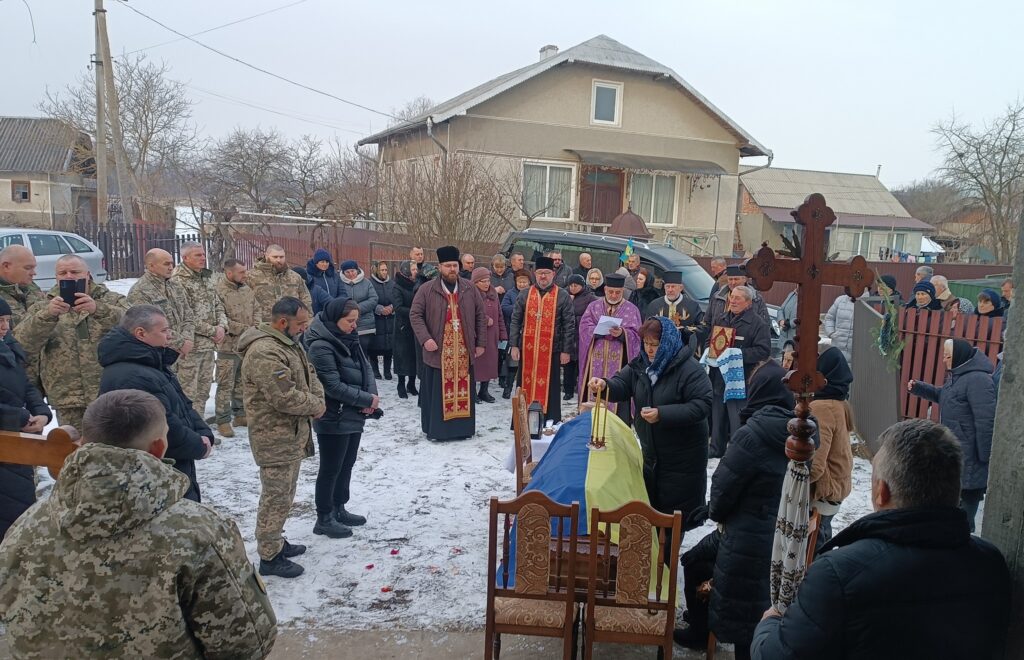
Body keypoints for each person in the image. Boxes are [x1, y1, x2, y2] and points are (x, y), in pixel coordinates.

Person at [0, 389, 278, 659]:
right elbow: (245, 642)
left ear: (84, 441)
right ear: (158, 447)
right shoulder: (197, 530)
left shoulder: (27, 524)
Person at [752, 419, 1011, 660]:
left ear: (881, 491)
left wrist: (770, 624)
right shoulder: (991, 564)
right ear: (955, 489)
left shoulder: (838, 575)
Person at [675, 360, 796, 658]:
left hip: (744, 537)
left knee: (692, 560)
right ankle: (706, 622)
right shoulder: (802, 432)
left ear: (759, 392)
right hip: (781, 537)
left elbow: (723, 488)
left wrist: (712, 511)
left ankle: (701, 630)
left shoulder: (751, 434)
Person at [591, 316, 712, 527]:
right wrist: (605, 385)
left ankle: (668, 558)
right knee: (652, 513)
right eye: (646, 343)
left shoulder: (689, 369)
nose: (649, 349)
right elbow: (623, 383)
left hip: (682, 457)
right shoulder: (642, 364)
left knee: (673, 519)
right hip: (652, 453)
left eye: (654, 345)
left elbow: (702, 405)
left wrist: (662, 414)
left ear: (667, 343)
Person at [239, 296, 325, 578]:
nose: (304, 328)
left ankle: (275, 540)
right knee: (275, 497)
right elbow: (283, 396)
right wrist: (316, 406)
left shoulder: (287, 343)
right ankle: (269, 556)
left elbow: (308, 376)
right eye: (300, 324)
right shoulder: (264, 351)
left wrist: (318, 398)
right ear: (282, 322)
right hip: (273, 436)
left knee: (285, 495)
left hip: (291, 433)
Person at [98, 305, 214, 502]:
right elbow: (161, 424)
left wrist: (204, 432)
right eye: (164, 330)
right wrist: (197, 445)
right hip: (155, 477)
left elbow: (182, 404)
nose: (169, 336)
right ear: (141, 333)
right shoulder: (132, 375)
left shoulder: (152, 363)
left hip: (171, 467)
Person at [15, 254, 128, 430]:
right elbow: (22, 344)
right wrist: (48, 315)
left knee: (113, 447)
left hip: (110, 392)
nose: (69, 276)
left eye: (75, 272)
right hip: (67, 396)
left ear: (88, 274)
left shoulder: (111, 300)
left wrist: (98, 310)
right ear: (56, 277)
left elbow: (135, 327)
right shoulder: (42, 306)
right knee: (72, 449)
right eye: (63, 273)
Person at [304, 299, 379, 539]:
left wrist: (371, 395)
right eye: (349, 321)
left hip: (352, 412)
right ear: (335, 319)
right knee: (331, 468)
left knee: (347, 464)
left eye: (356, 320)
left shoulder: (349, 337)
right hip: (332, 415)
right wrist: (365, 400)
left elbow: (365, 367)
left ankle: (340, 507)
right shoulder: (320, 346)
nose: (354, 325)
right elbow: (332, 386)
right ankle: (324, 517)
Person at [909, 338, 995, 532]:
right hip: (957, 450)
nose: (943, 360)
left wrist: (985, 455)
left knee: (967, 504)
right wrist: (919, 388)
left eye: (947, 356)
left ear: (958, 357)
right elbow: (945, 396)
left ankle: (963, 544)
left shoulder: (979, 380)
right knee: (954, 502)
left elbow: (986, 420)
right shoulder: (957, 376)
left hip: (971, 454)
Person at [410, 246, 488, 441]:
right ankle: (437, 430)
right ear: (439, 267)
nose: (452, 269)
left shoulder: (470, 288)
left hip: (463, 350)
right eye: (448, 266)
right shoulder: (427, 289)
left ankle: (462, 430)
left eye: (455, 265)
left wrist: (481, 343)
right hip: (438, 352)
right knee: (436, 393)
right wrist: (425, 339)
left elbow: (480, 315)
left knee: (463, 390)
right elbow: (415, 315)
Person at [0, 298, 50, 540]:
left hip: (17, 442)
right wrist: (18, 416)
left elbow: (26, 385)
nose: (4, 327)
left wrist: (41, 412)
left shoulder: (7, 347)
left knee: (20, 510)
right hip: (6, 439)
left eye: (7, 320)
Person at [509, 255, 576, 424]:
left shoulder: (562, 295)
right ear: (535, 274)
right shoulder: (525, 294)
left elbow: (569, 324)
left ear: (553, 274)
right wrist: (514, 346)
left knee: (551, 387)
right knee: (524, 384)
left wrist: (566, 350)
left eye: (546, 273)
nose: (543, 277)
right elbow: (516, 320)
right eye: (540, 273)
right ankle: (522, 420)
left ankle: (549, 418)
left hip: (552, 350)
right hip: (528, 349)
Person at [709, 285, 773, 458]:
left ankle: (738, 450)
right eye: (732, 297)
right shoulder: (722, 318)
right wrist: (710, 352)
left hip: (741, 380)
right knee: (717, 415)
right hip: (720, 377)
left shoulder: (758, 324)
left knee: (737, 416)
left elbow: (764, 351)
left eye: (738, 298)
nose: (733, 301)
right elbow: (712, 340)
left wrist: (738, 354)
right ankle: (716, 448)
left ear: (748, 303)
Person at [172, 242, 228, 415]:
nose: (203, 258)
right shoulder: (178, 281)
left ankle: (201, 429)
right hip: (191, 347)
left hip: (209, 346)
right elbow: (185, 315)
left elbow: (217, 304)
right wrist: (213, 331)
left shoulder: (206, 277)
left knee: (204, 391)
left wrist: (222, 326)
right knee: (188, 392)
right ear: (185, 258)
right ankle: (189, 432)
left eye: (203, 254)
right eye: (198, 255)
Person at [577, 273, 642, 423]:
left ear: (623, 291)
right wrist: (597, 331)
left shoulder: (631, 310)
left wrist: (622, 333)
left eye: (617, 292)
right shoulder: (594, 307)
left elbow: (637, 336)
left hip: (620, 363)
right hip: (595, 359)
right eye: (610, 291)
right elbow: (584, 328)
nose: (613, 295)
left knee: (619, 399)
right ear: (605, 289)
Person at [810, 344, 854, 545]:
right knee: (822, 541)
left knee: (813, 550)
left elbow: (816, 464)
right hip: (836, 487)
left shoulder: (822, 406)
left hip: (822, 493)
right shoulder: (839, 401)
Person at [214, 258, 257, 437]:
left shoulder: (247, 289)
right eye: (241, 272)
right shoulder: (218, 291)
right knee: (225, 384)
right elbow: (219, 317)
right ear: (229, 273)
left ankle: (240, 414)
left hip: (246, 344)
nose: (245, 275)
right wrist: (244, 329)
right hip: (228, 346)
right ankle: (223, 420)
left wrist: (256, 326)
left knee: (242, 381)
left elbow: (257, 309)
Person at [127, 248, 194, 359]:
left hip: (181, 353)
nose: (171, 267)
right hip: (157, 354)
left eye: (172, 263)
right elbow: (147, 326)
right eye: (166, 264)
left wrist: (187, 340)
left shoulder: (175, 286)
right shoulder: (140, 291)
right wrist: (180, 342)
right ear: (151, 266)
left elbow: (188, 315)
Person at [247, 244, 313, 322]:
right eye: (275, 257)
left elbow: (306, 300)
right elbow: (245, 302)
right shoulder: (251, 276)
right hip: (264, 325)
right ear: (266, 256)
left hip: (291, 325)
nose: (279, 260)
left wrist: (308, 321)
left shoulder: (295, 277)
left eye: (281, 257)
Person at [644, 271, 704, 352]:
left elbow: (702, 328)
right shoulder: (654, 305)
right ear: (664, 287)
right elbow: (647, 329)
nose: (670, 290)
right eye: (667, 286)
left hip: (685, 351)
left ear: (681, 288)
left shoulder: (692, 306)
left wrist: (684, 330)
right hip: (660, 351)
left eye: (673, 287)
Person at [472, 267, 507, 404]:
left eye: (488, 281)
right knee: (476, 365)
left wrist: (503, 334)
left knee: (489, 364)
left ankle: (484, 390)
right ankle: (472, 391)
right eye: (482, 281)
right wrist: (485, 319)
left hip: (492, 334)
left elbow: (499, 315)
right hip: (477, 335)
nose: (486, 284)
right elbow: (469, 313)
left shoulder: (493, 294)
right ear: (475, 282)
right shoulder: (471, 295)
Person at [501, 269, 532, 399]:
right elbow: (504, 307)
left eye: (524, 281)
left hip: (530, 333)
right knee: (513, 362)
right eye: (520, 281)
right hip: (515, 332)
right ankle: (507, 388)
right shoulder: (510, 293)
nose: (522, 284)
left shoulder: (533, 293)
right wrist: (518, 308)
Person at [565, 274, 596, 401]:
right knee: (568, 364)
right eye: (571, 285)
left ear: (582, 286)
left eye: (575, 285)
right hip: (569, 335)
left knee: (581, 364)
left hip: (583, 336)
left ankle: (581, 388)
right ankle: (568, 390)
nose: (573, 288)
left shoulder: (590, 298)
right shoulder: (566, 296)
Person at [0, 245, 45, 329]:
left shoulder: (30, 287)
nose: (33, 273)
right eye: (28, 268)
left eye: (33, 268)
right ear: (6, 266)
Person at [339, 259, 379, 353]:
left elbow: (373, 299)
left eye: (352, 271)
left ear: (357, 270)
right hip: (346, 324)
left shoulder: (366, 282)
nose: (350, 274)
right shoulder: (340, 283)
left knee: (363, 351)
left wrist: (357, 309)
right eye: (347, 272)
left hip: (365, 324)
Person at [393, 260, 419, 399]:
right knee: (402, 357)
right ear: (406, 270)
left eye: (416, 268)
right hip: (402, 327)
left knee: (414, 355)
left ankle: (412, 384)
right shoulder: (398, 286)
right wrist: (415, 311)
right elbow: (398, 307)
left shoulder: (417, 284)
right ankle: (401, 384)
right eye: (413, 268)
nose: (416, 271)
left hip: (416, 326)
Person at [822, 288, 868, 363]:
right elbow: (829, 318)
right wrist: (831, 333)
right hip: (838, 345)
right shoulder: (840, 300)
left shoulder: (870, 302)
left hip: (858, 350)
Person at [368, 261, 396, 380]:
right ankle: (375, 370)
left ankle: (387, 371)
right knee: (374, 346)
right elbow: (369, 299)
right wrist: (378, 308)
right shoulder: (370, 283)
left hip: (390, 318)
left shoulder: (392, 283)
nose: (384, 272)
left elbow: (396, 297)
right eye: (382, 270)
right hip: (376, 319)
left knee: (389, 346)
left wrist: (392, 307)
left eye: (385, 270)